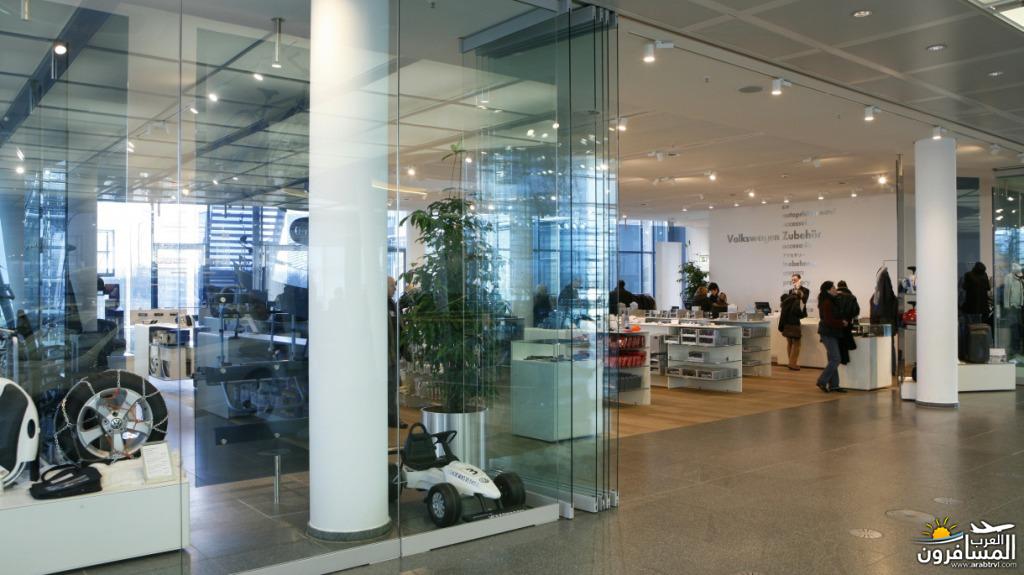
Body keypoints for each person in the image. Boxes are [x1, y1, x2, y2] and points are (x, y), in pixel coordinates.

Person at [816, 281, 848, 393]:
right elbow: (829, 320)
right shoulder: (827, 302)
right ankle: (822, 381)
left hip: (831, 333)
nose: (835, 289)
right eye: (833, 287)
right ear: (828, 290)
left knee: (832, 359)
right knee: (836, 359)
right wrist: (842, 323)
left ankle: (834, 385)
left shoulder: (830, 301)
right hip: (828, 333)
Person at [387, 277, 407, 429]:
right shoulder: (377, 304)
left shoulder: (392, 304)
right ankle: (391, 417)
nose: (395, 289)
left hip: (393, 354)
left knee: (392, 387)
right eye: (393, 286)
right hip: (384, 355)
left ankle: (392, 417)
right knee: (388, 387)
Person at [778, 292, 805, 370]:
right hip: (794, 325)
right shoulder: (796, 300)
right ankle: (793, 364)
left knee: (790, 343)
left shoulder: (786, 301)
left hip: (786, 325)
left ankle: (791, 362)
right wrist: (802, 314)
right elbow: (797, 311)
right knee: (797, 344)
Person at [835, 280, 860, 364]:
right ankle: (844, 361)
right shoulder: (851, 297)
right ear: (846, 286)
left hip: (835, 325)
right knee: (845, 344)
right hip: (847, 325)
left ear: (838, 286)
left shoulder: (833, 297)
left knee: (836, 346)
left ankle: (839, 363)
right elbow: (856, 311)